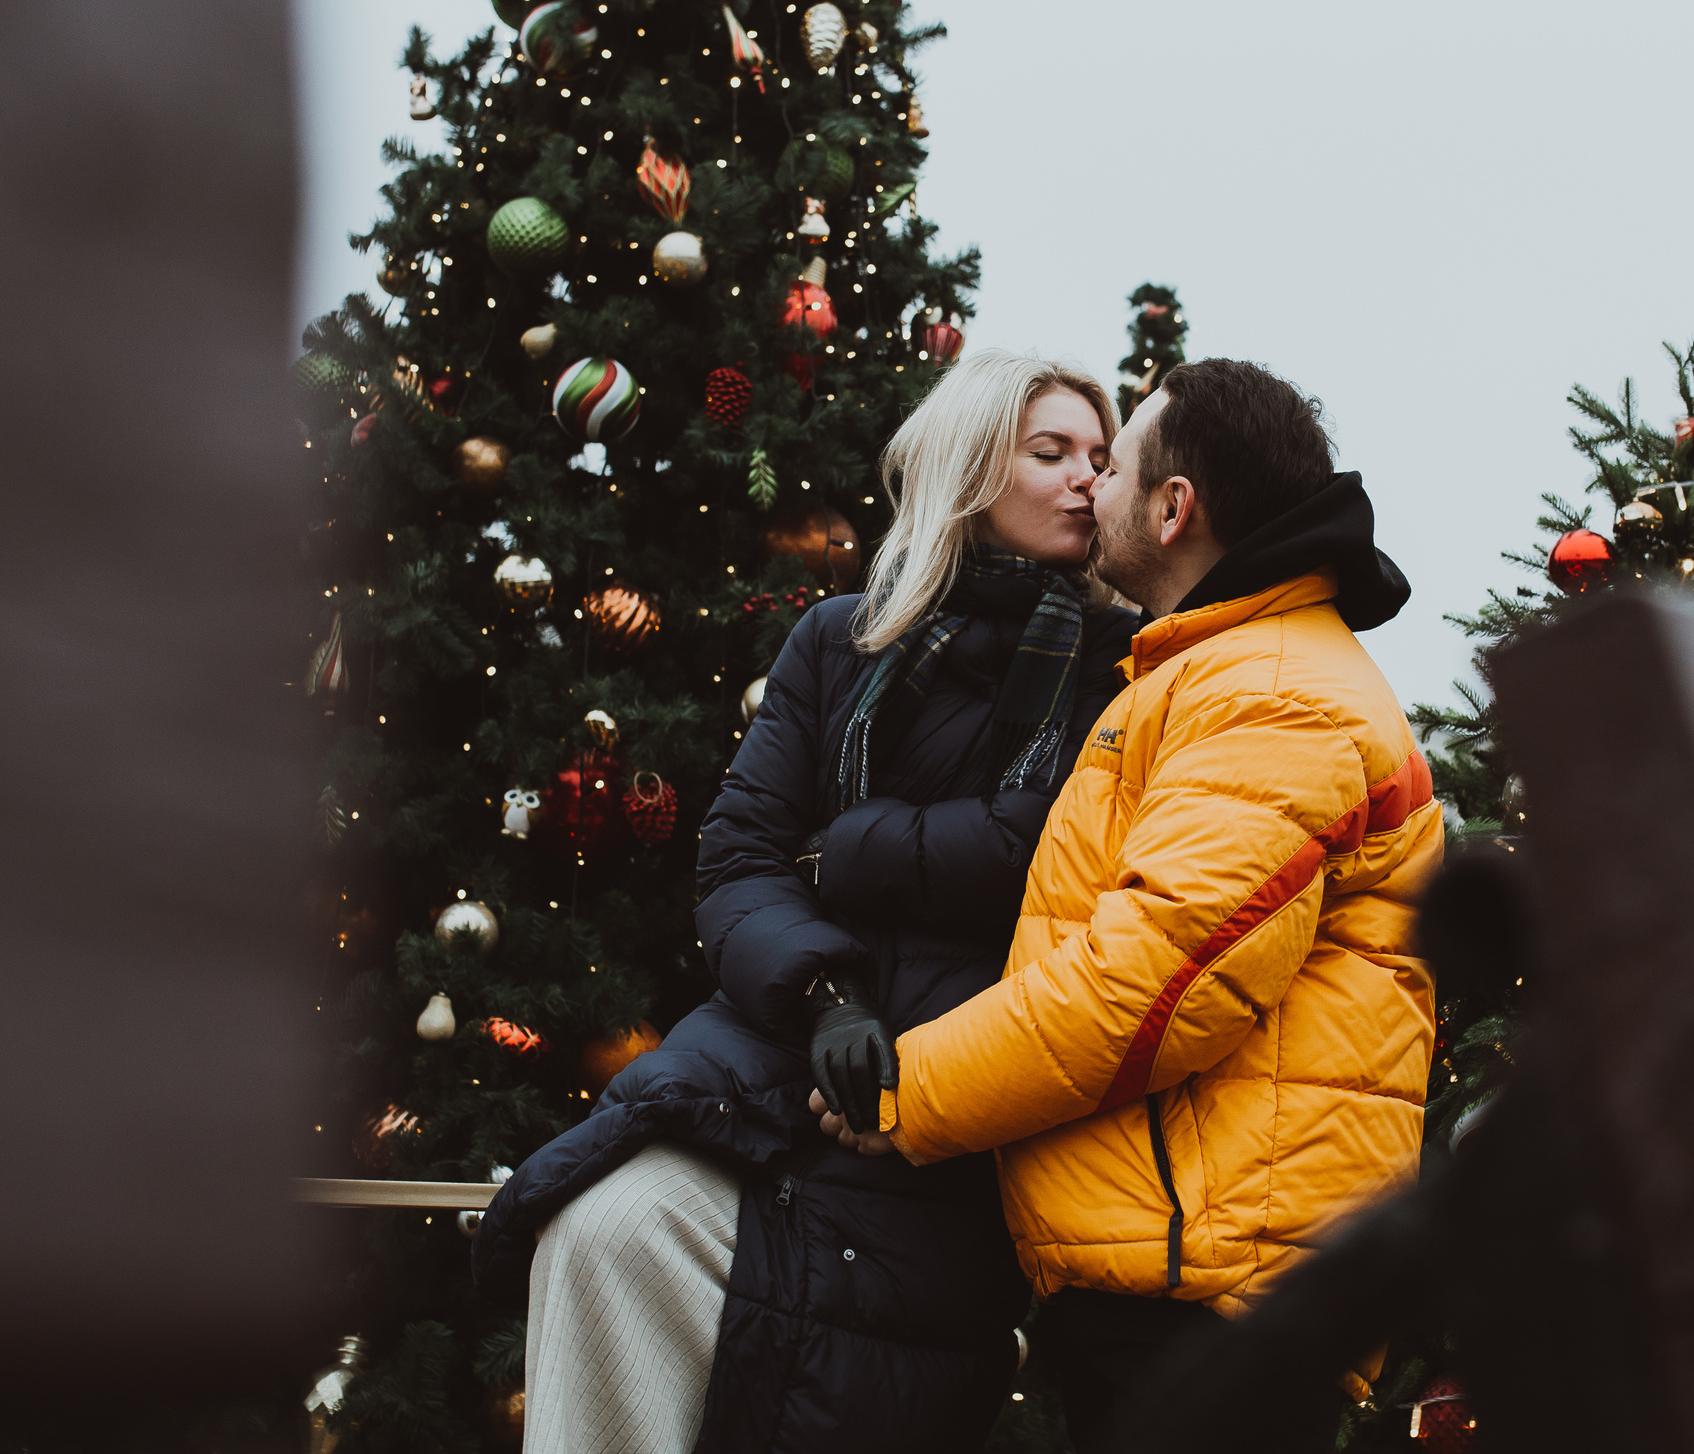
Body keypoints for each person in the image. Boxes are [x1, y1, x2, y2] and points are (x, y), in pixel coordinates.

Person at [473, 353, 1138, 1454]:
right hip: (777, 1056)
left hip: (944, 1101)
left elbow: (1045, 860)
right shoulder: (841, 639)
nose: (1086, 480)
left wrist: (853, 848)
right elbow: (741, 855)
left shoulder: (1122, 669)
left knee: (835, 1357)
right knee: (599, 1231)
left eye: (1102, 460)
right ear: (970, 469)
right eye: (1052, 452)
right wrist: (822, 993)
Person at [813, 358, 1441, 1454]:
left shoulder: (1271, 694)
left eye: (1112, 465)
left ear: (1172, 505)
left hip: (1209, 1294)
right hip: (1177, 1271)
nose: (1089, 487)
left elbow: (1149, 986)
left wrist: (902, 1096)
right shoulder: (1206, 673)